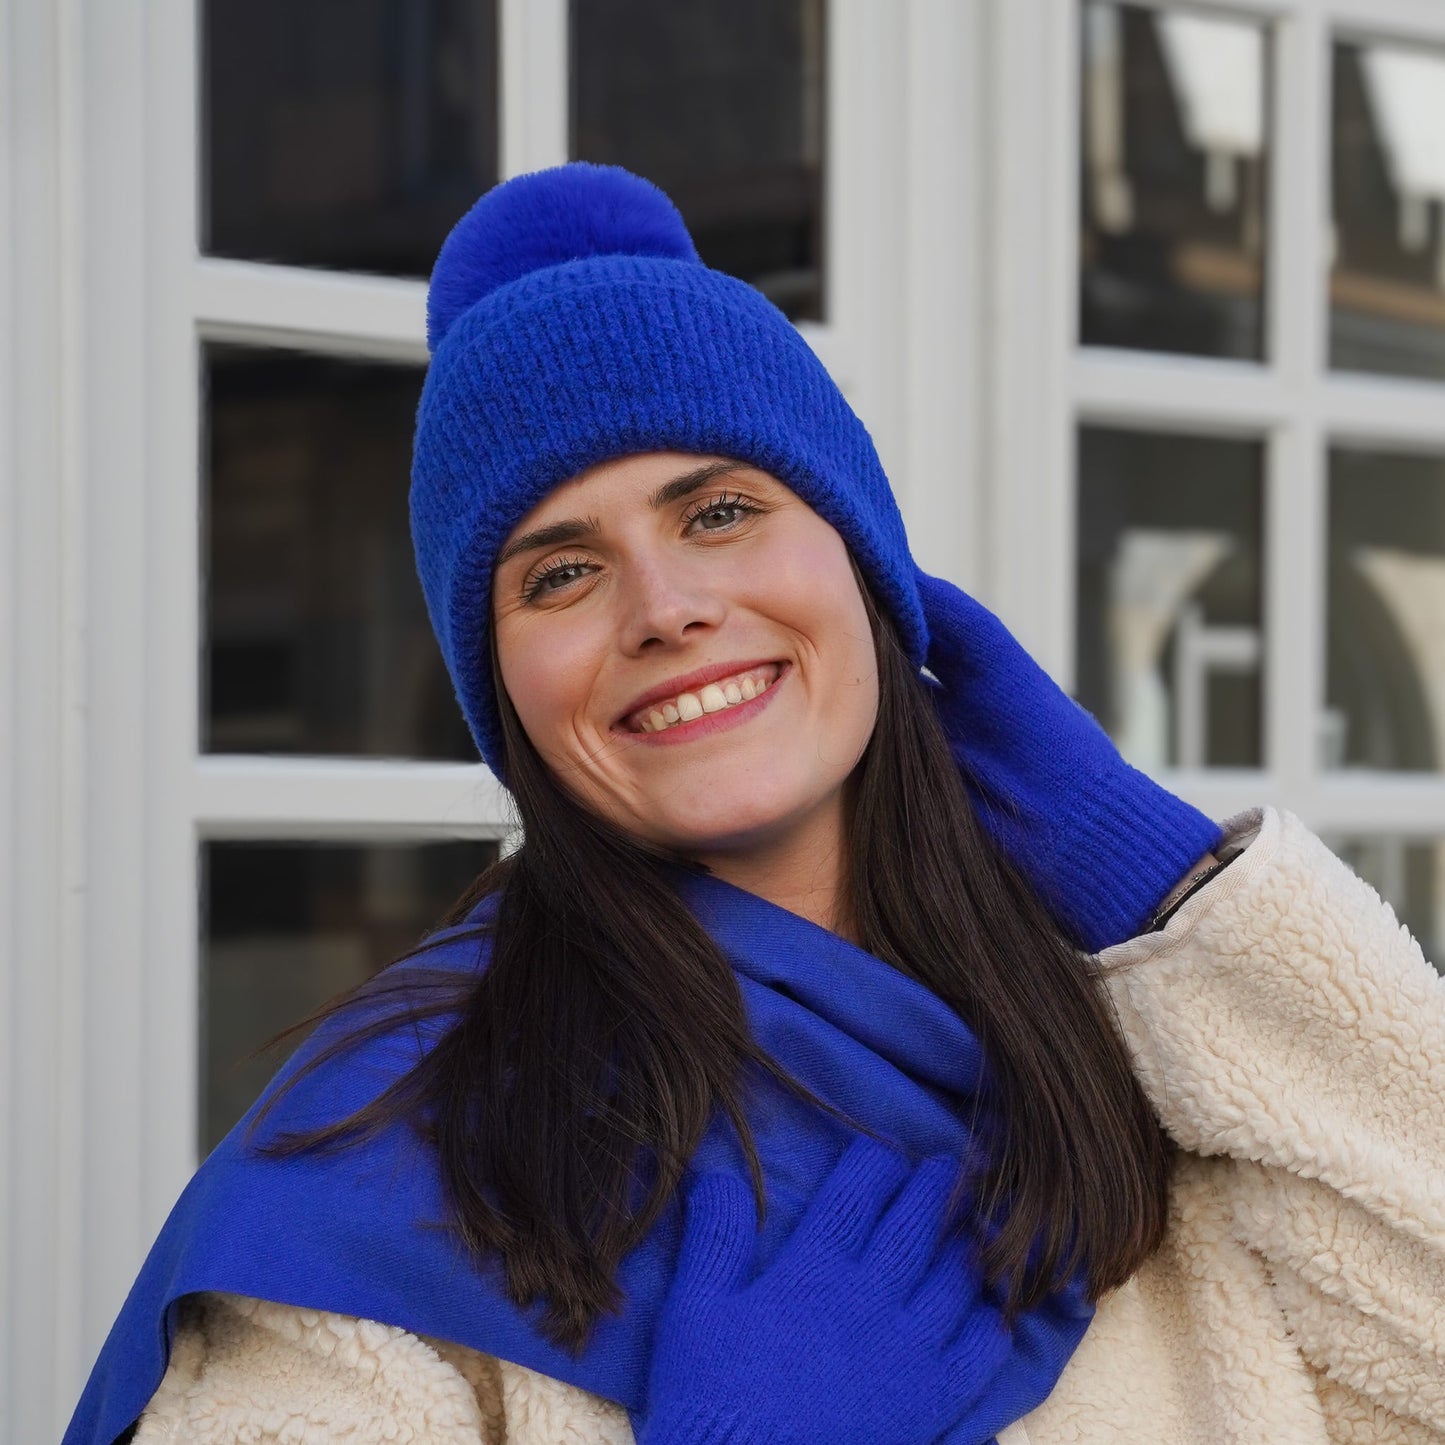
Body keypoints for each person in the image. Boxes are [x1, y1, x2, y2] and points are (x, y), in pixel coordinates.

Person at [67, 164, 1444, 1445]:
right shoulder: (391, 1166)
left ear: (861, 566)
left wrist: (1155, 881)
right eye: (557, 573)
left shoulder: (1131, 1053)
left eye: (718, 510)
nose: (667, 608)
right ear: (506, 694)